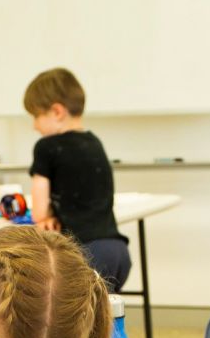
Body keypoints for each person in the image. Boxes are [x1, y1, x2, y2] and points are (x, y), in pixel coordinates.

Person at [23, 68, 132, 292]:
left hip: (87, 255)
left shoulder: (46, 147)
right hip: (117, 252)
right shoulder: (94, 142)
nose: (34, 126)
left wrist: (47, 216)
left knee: (77, 323)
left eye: (36, 116)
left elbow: (39, 212)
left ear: (56, 111)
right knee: (105, 322)